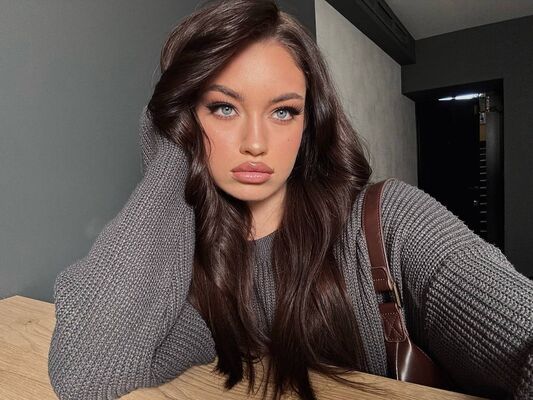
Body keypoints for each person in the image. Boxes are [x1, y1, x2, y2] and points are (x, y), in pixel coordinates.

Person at [47, 0, 533, 399]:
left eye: (283, 112)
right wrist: (171, 145)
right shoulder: (194, 264)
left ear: (308, 124)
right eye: (223, 107)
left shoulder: (392, 220)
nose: (255, 143)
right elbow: (90, 375)